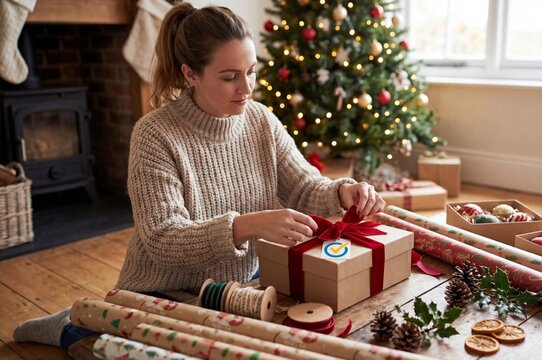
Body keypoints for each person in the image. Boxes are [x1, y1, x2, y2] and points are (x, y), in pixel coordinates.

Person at [12, 2, 385, 350]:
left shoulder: (260, 121)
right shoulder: (154, 134)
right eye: (229, 77)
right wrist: (247, 225)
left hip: (238, 289)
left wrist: (343, 192)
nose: (247, 88)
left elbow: (304, 186)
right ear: (189, 73)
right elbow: (162, 238)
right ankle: (68, 324)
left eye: (251, 72)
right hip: (163, 291)